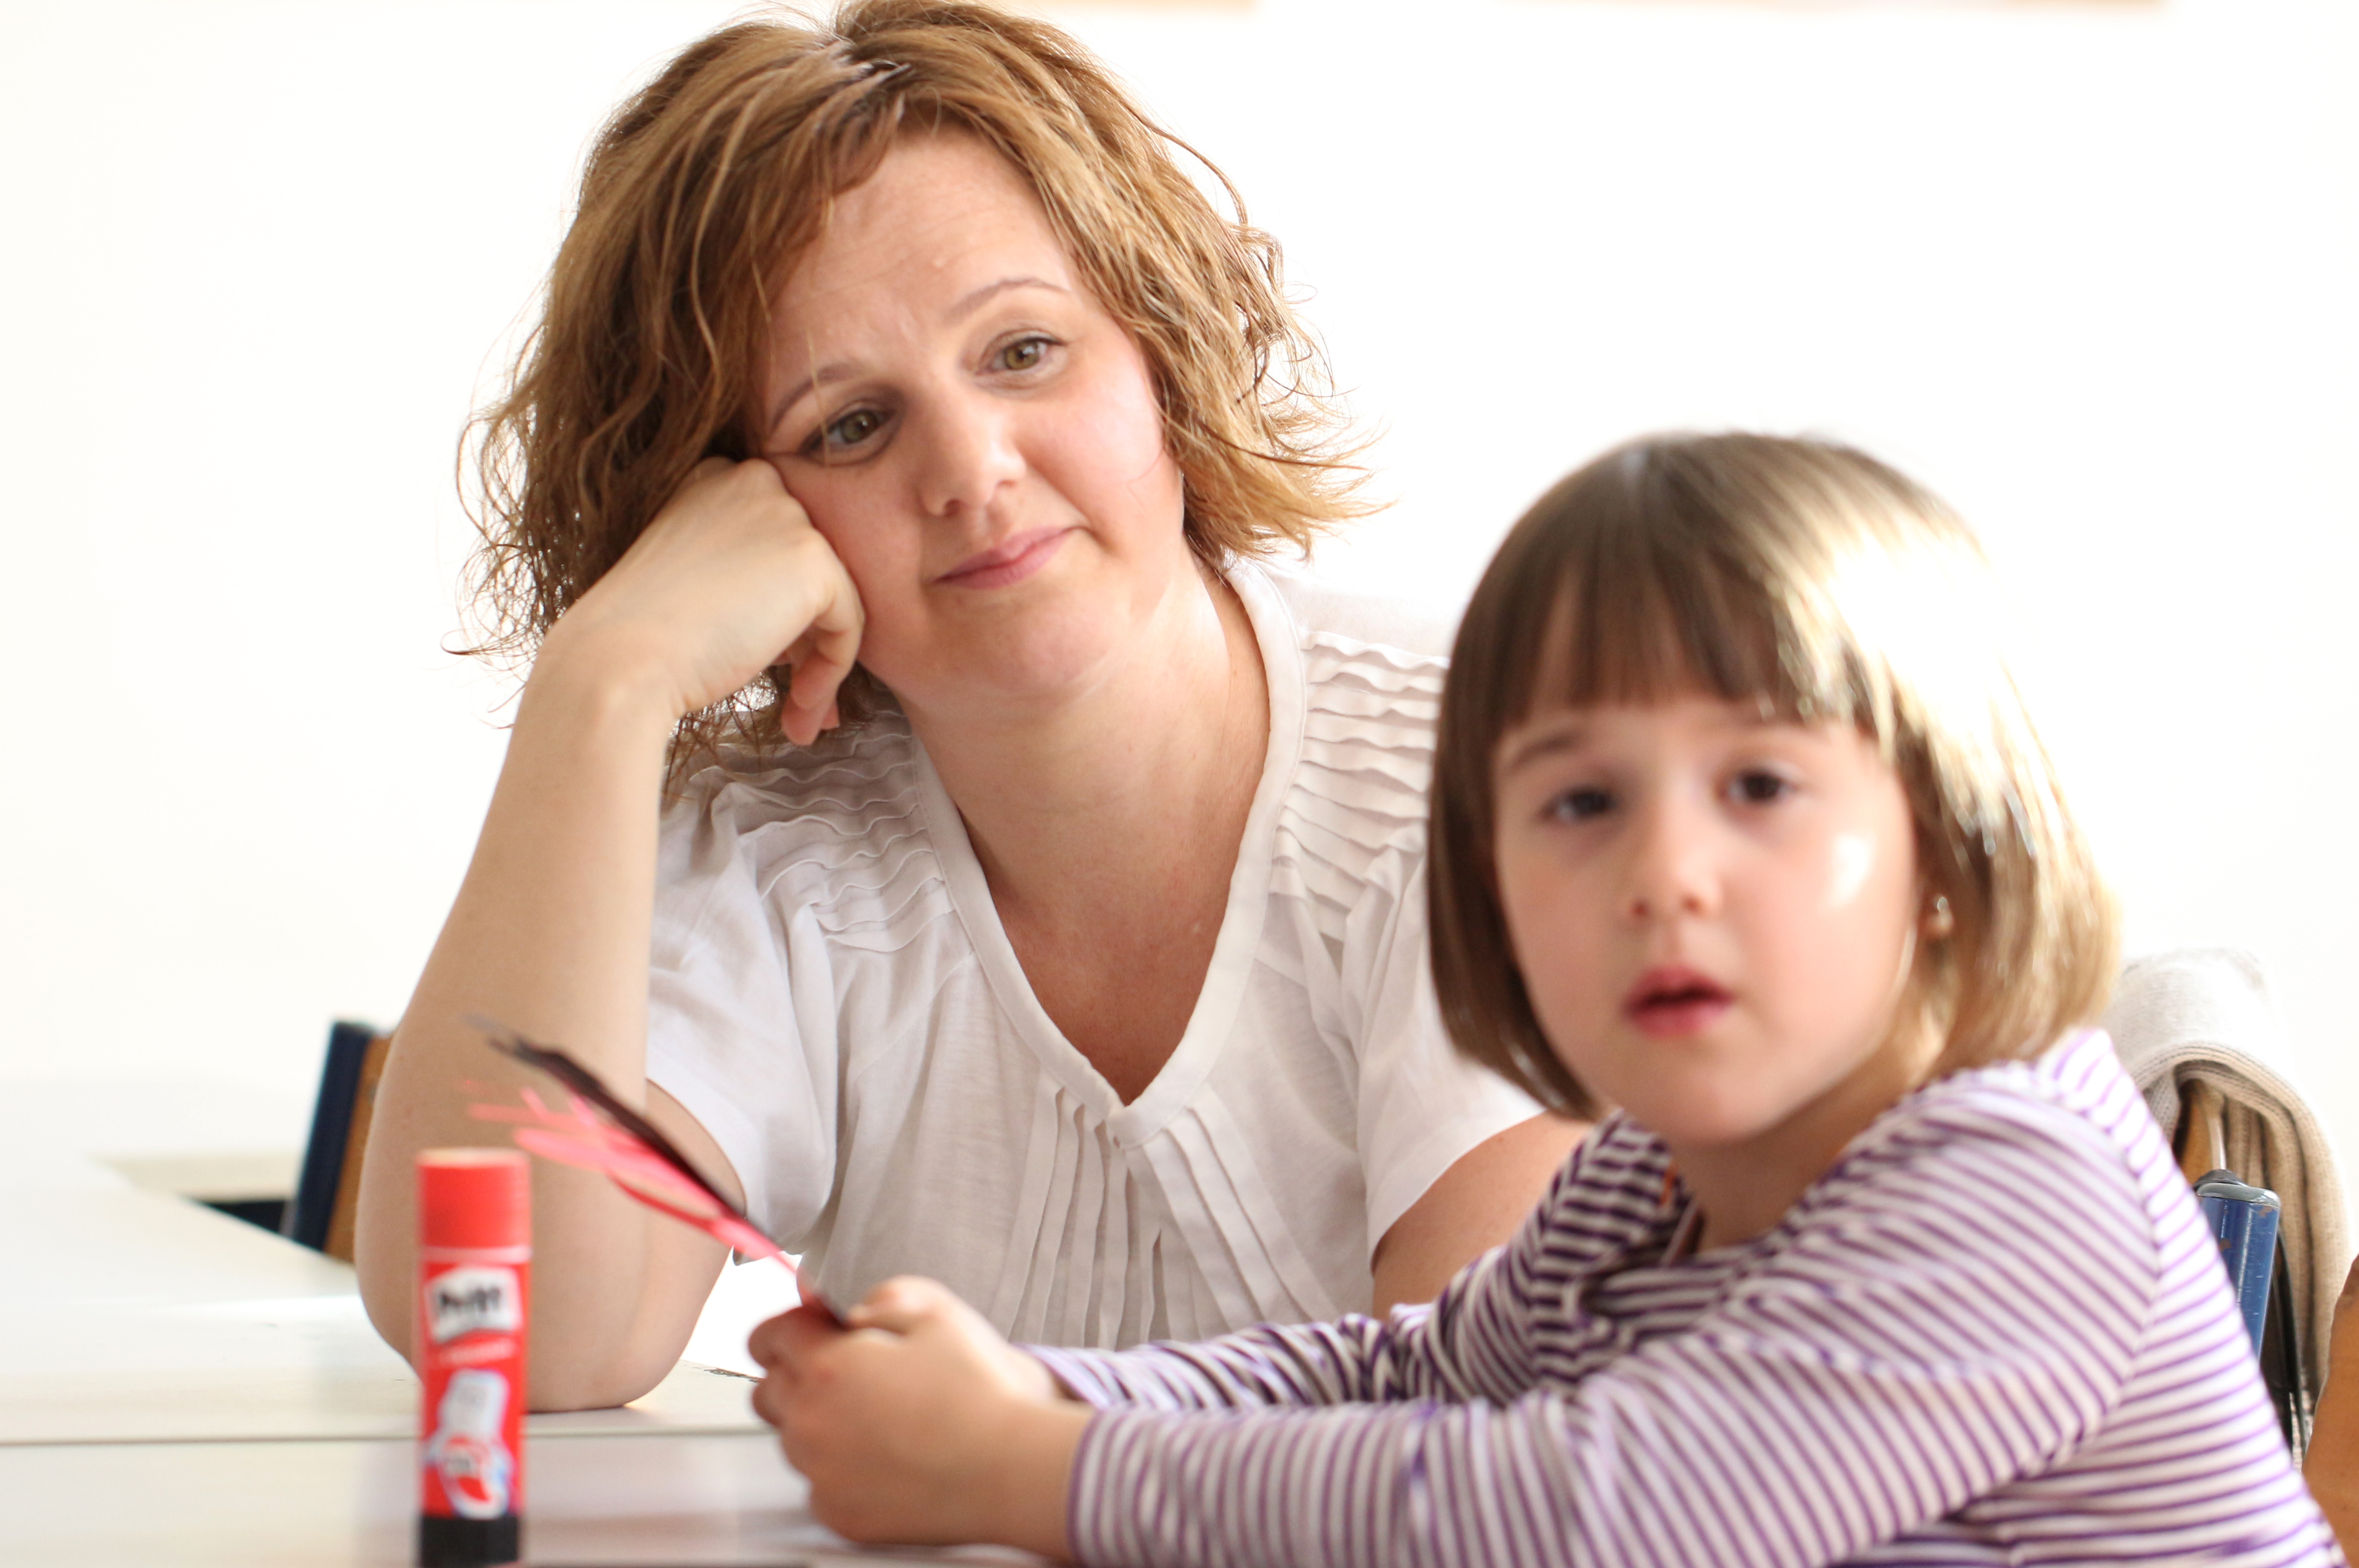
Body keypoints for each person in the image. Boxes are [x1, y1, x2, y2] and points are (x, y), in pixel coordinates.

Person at [747, 434, 2345, 1564]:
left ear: (1948, 847)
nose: (1663, 873)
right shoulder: (1650, 1181)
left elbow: (1592, 1517)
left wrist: (1041, 1469)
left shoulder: (2013, 1178)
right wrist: (1029, 1392)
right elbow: (1412, 1374)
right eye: (1579, 803)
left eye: (1760, 786)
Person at [352, 0, 1579, 1411]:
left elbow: (1471, 1417)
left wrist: (1007, 1461)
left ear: (1161, 348)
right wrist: (603, 681)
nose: (970, 469)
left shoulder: (1484, 757)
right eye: (849, 425)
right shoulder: (778, 849)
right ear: (733, 514)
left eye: (1022, 351)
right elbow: (508, 1337)